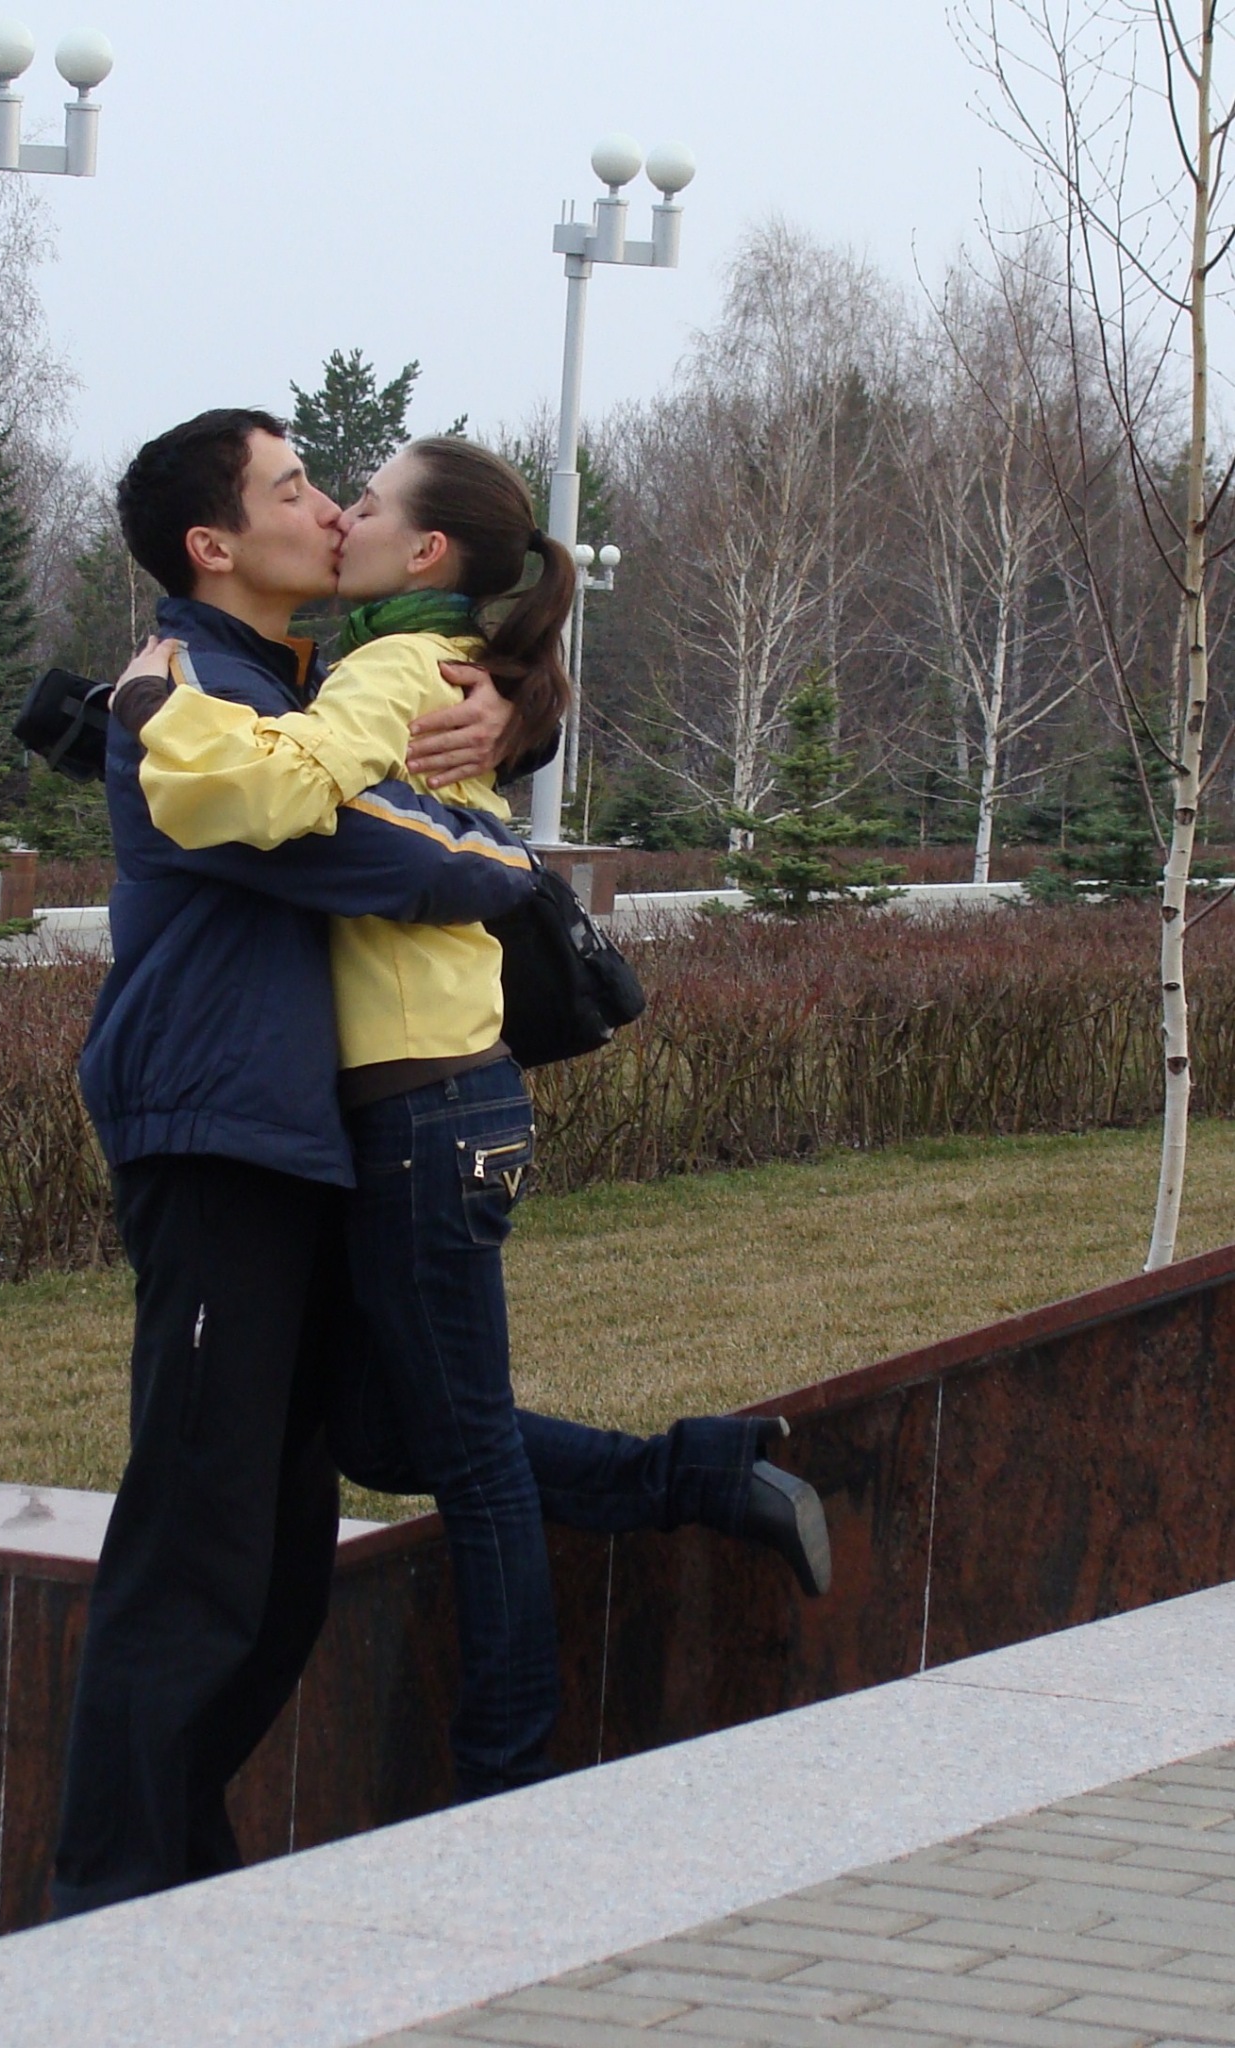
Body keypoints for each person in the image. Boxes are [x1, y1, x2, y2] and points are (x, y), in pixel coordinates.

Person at [127, 435, 832, 1804]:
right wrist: (522, 705)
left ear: (428, 550)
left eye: (364, 501)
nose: (340, 516)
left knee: (467, 1460)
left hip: (425, 1110)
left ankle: (506, 1772)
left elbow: (269, 787)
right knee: (383, 1433)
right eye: (319, 495)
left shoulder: (393, 666)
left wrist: (156, 710)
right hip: (435, 1104)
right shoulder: (419, 658)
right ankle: (699, 1477)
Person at [52, 410, 540, 1916]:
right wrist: (507, 861)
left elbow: (406, 729)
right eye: (295, 486)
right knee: (199, 1541)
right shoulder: (187, 690)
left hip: (296, 1139)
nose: (330, 508)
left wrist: (512, 716)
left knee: (278, 1554)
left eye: (336, 486)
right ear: (216, 545)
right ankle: (107, 1909)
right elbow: (385, 853)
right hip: (214, 1137)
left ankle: (183, 1886)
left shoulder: (284, 682)